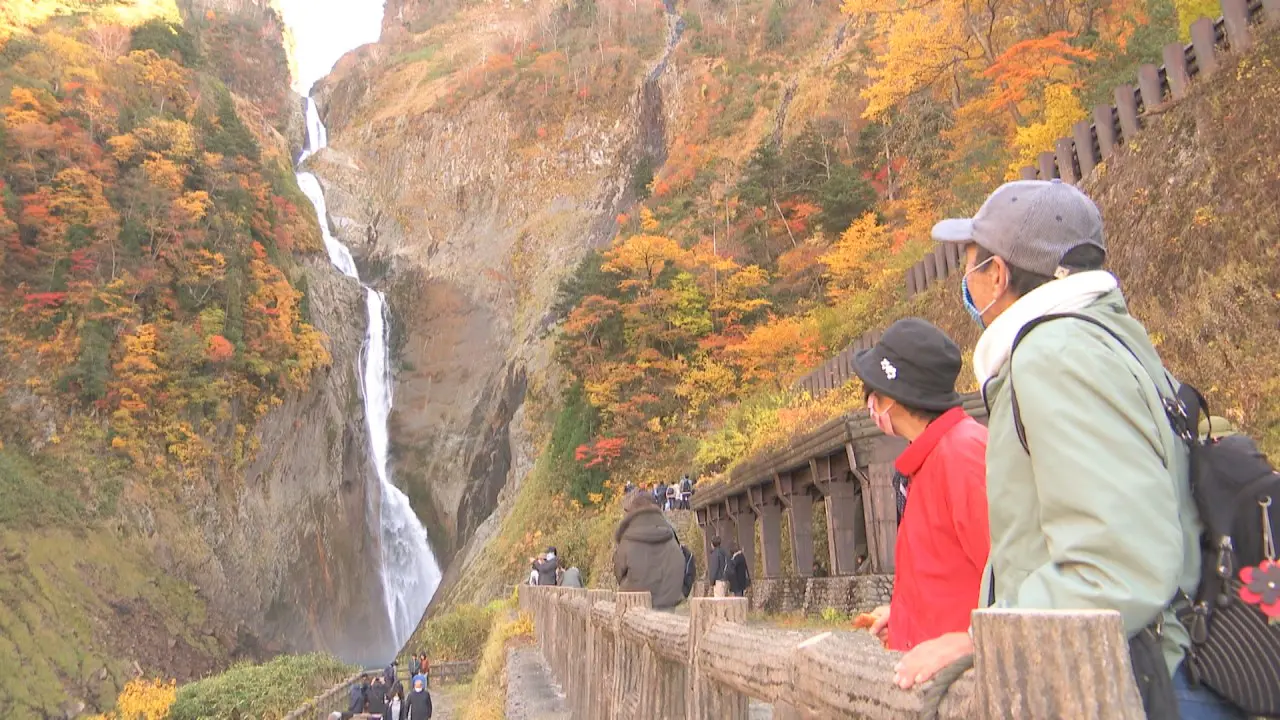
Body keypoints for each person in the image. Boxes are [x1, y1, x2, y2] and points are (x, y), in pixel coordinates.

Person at [898, 179, 1239, 720]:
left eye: (970, 267)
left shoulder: (1055, 355)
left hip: (1130, 685)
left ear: (997, 274)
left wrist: (979, 638)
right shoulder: (1110, 337)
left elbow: (1115, 562)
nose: (966, 285)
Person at [847, 317, 989, 654]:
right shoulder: (926, 460)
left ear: (891, 396)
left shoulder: (962, 454)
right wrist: (903, 618)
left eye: (873, 394)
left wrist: (968, 642)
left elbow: (1009, 577)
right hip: (934, 670)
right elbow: (944, 575)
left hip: (964, 680)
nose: (870, 406)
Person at [612, 491, 686, 609]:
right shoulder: (670, 533)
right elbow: (681, 561)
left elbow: (618, 571)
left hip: (635, 603)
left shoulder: (627, 537)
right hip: (668, 602)